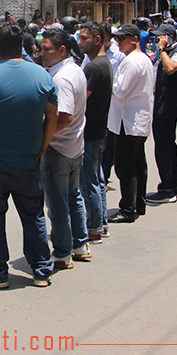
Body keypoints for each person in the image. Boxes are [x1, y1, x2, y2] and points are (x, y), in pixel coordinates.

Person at [0, 22, 57, 288]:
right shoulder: (42, 75)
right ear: (22, 46)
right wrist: (43, 147)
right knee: (34, 215)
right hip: (28, 162)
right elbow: (52, 116)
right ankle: (41, 270)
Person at [38, 29, 90, 268]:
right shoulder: (73, 70)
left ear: (61, 50)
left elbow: (65, 116)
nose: (42, 54)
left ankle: (62, 252)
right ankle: (80, 244)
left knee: (58, 202)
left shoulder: (62, 77)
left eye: (47, 49)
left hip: (60, 147)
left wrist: (43, 139)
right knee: (71, 196)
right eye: (41, 49)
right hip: (73, 144)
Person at [105, 24, 156, 220]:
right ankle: (138, 204)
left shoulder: (133, 61)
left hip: (128, 121)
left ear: (134, 39)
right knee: (137, 165)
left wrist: (108, 82)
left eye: (122, 39)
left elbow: (119, 89)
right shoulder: (141, 59)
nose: (118, 43)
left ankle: (128, 208)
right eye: (117, 39)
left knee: (126, 167)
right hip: (134, 120)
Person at [145, 23, 177, 205]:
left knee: (165, 148)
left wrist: (163, 50)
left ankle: (168, 188)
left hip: (167, 107)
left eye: (161, 37)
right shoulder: (162, 52)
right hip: (160, 105)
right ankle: (173, 184)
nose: (158, 40)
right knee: (165, 146)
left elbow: (172, 68)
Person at [77, 22, 112, 243]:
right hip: (99, 131)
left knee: (89, 181)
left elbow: (81, 100)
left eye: (84, 38)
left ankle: (94, 227)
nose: (79, 43)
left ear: (97, 40)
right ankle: (101, 224)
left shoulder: (94, 67)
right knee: (97, 179)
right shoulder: (102, 64)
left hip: (91, 132)